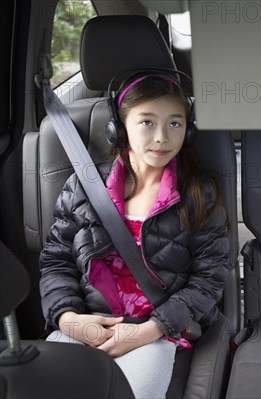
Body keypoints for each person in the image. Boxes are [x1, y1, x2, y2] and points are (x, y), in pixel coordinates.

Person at [39, 71, 230, 398]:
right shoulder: (84, 187)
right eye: (146, 122)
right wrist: (69, 318)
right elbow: (56, 261)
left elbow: (210, 278)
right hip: (85, 325)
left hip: (155, 331)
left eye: (175, 124)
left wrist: (149, 331)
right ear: (118, 128)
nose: (162, 138)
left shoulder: (198, 193)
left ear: (189, 129)